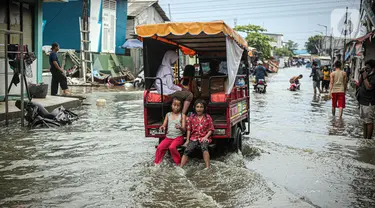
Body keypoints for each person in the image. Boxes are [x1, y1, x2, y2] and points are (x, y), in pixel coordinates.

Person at [155, 50, 193, 115]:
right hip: (167, 92)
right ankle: (183, 114)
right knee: (189, 95)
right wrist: (182, 89)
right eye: (174, 59)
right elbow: (170, 86)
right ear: (170, 58)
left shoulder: (162, 67)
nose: (175, 61)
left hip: (162, 90)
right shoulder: (167, 69)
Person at [180, 99, 214, 169]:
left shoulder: (208, 117)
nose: (199, 109)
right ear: (195, 108)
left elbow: (211, 129)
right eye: (197, 107)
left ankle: (208, 167)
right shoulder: (191, 117)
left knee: (204, 147)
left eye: (201, 107)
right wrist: (187, 140)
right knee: (187, 150)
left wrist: (206, 137)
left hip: (204, 137)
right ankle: (181, 167)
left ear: (204, 108)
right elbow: (189, 129)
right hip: (194, 138)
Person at [154, 97, 186, 165]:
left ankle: (178, 163)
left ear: (181, 107)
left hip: (178, 138)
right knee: (160, 147)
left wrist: (180, 127)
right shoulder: (168, 114)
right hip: (168, 137)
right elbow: (164, 125)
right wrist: (162, 127)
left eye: (178, 105)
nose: (176, 107)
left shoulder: (182, 115)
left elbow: (184, 130)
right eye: (174, 105)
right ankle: (156, 163)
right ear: (171, 105)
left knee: (172, 147)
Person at [357, 60, 375, 139]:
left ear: (373, 68)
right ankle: (365, 139)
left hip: (369, 102)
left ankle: (368, 139)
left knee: (369, 121)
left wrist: (364, 77)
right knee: (364, 121)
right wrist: (362, 75)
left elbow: (369, 87)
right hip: (363, 101)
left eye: (368, 68)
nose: (366, 69)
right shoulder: (367, 75)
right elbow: (359, 83)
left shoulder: (374, 77)